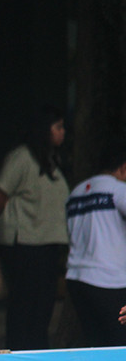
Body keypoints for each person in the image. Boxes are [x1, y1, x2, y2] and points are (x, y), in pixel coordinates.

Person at [0, 105, 69, 350]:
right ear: (45, 130)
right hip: (23, 242)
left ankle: (36, 353)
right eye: (59, 127)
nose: (63, 133)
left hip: (47, 242)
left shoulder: (52, 159)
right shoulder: (21, 157)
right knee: (24, 305)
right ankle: (17, 355)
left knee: (43, 307)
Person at [65, 142, 126, 347]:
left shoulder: (76, 192)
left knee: (94, 342)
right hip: (109, 280)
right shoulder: (118, 189)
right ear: (123, 168)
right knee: (117, 345)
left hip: (77, 278)